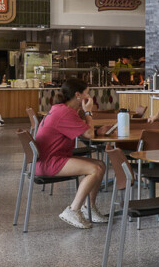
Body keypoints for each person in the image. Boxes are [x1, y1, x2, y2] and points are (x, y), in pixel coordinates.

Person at [33, 79, 105, 229]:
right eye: (87, 93)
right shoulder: (65, 112)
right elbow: (89, 135)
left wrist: (97, 131)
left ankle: (89, 208)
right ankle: (73, 210)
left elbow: (86, 133)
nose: (89, 97)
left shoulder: (62, 109)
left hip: (50, 158)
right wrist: (88, 112)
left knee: (100, 165)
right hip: (49, 163)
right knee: (95, 169)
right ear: (78, 95)